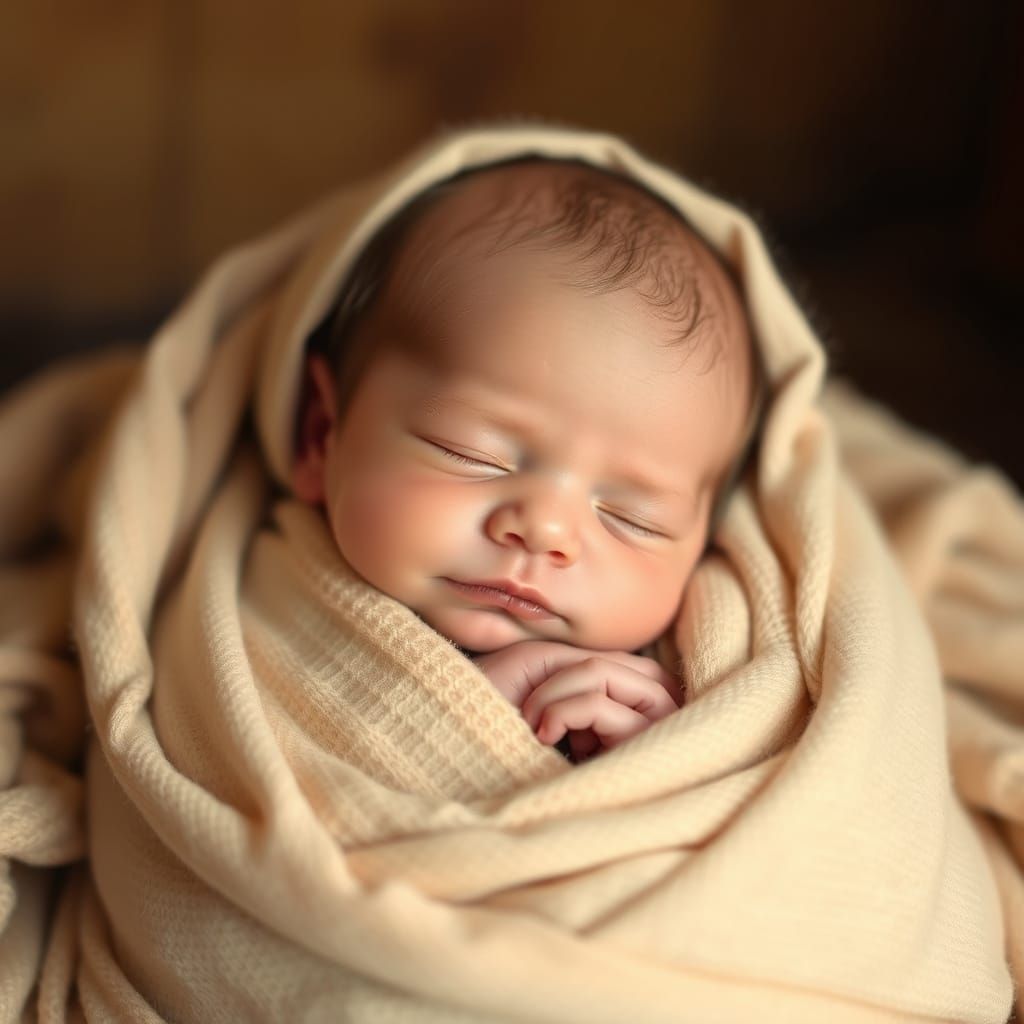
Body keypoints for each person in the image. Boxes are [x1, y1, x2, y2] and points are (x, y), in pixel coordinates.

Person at [291, 157, 761, 762]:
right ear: (321, 431)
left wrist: (657, 762)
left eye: (632, 517)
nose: (545, 530)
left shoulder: (667, 692)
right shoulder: (240, 598)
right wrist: (455, 736)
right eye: (469, 453)